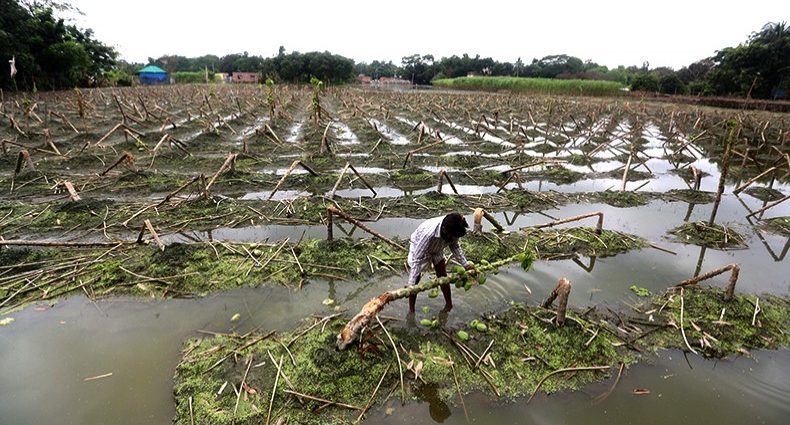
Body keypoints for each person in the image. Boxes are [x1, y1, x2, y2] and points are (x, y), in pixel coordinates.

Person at [407, 213, 475, 313]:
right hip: (420, 246)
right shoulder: (428, 234)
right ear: (445, 231)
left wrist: (465, 264)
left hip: (437, 248)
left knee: (443, 276)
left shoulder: (454, 226)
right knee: (415, 279)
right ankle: (411, 310)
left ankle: (449, 304)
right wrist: (411, 283)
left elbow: (455, 246)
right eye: (452, 237)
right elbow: (417, 260)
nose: (453, 239)